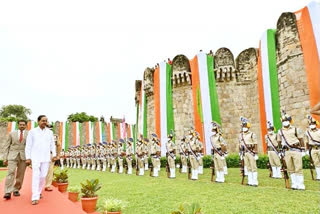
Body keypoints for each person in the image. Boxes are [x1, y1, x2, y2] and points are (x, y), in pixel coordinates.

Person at [25, 115, 57, 205]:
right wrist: (28, 157)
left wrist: (54, 155)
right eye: (43, 120)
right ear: (38, 121)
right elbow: (28, 145)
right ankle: (34, 196)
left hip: (46, 158)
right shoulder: (32, 132)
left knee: (43, 176)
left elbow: (52, 145)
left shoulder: (50, 133)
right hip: (35, 157)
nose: (45, 122)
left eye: (46, 121)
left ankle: (38, 192)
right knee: (36, 175)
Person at [277, 111, 305, 190]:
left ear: (289, 121)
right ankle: (294, 184)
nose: (285, 122)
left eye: (286, 121)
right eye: (283, 121)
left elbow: (301, 139)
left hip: (296, 150)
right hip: (286, 151)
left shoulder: (296, 129)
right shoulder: (280, 131)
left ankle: (300, 184)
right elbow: (279, 142)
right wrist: (280, 151)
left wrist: (303, 150)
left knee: (298, 167)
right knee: (290, 168)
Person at [3, 120, 29, 200]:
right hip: (12, 156)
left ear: (26, 126)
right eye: (20, 124)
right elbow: (6, 146)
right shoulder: (11, 133)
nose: (22, 126)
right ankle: (7, 191)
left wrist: (30, 158)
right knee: (10, 173)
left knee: (20, 174)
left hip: (23, 156)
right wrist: (5, 158)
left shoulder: (29, 134)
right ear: (18, 125)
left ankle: (16, 189)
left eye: (23, 125)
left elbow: (31, 147)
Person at [239, 117, 259, 187]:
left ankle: (255, 181)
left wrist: (256, 153)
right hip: (244, 152)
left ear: (248, 127)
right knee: (248, 167)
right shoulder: (241, 135)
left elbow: (255, 144)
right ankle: (250, 181)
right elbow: (240, 144)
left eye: (245, 126)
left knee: (253, 167)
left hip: (251, 152)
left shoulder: (252, 134)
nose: (243, 128)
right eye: (243, 126)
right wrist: (240, 153)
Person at [44, 124, 60, 192]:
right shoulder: (39, 135)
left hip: (50, 154)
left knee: (50, 170)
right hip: (40, 154)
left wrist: (58, 155)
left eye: (50, 129)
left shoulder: (55, 136)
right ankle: (40, 184)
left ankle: (48, 185)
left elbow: (58, 145)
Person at [305, 115, 320, 180]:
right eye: (310, 124)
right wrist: (307, 150)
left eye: (313, 123)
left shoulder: (319, 131)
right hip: (313, 149)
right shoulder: (307, 132)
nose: (312, 125)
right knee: (316, 162)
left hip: (319, 147)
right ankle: (319, 175)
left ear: (315, 124)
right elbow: (306, 142)